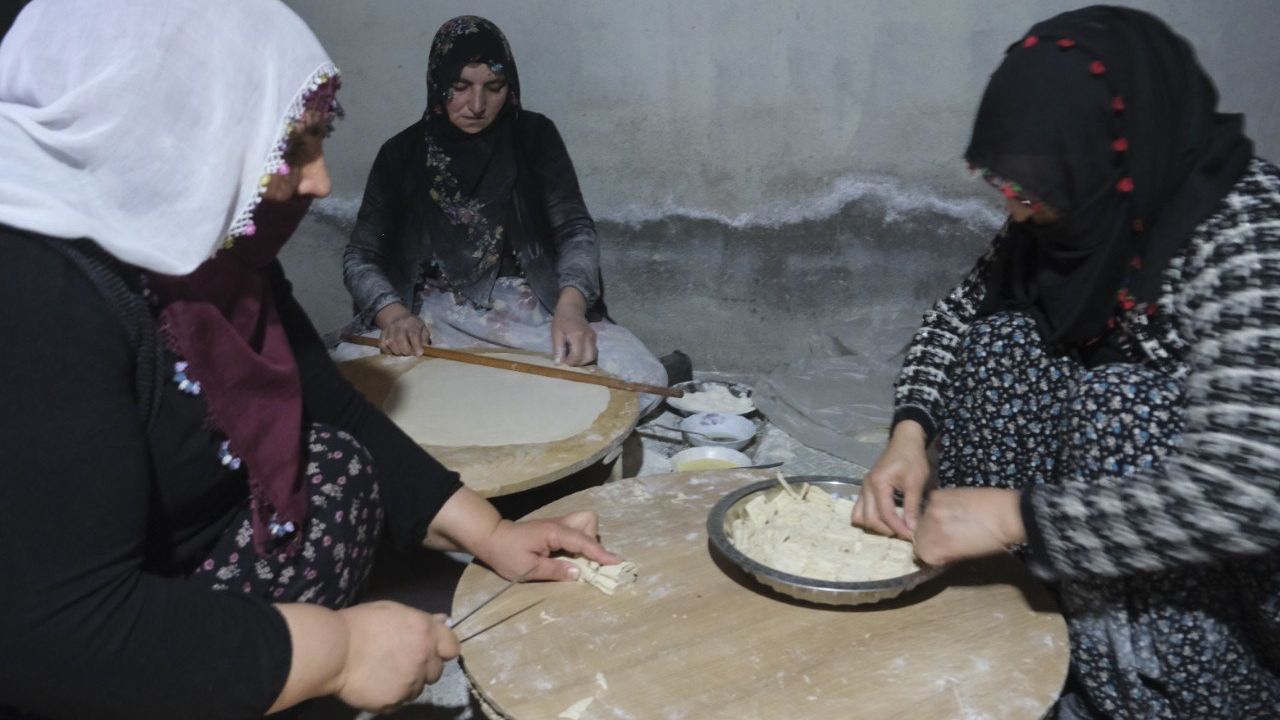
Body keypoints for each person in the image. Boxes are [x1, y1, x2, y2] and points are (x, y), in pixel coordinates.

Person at [0, 2, 619, 717]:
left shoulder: (211, 247)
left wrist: (495, 534)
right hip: (71, 646)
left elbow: (330, 404)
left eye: (318, 138)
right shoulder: (35, 293)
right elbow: (52, 631)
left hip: (164, 568)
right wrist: (338, 651)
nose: (320, 181)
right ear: (181, 127)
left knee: (335, 464)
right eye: (290, 146)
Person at [852, 7, 1280, 719]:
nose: (1018, 215)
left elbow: (1251, 489)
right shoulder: (1086, 197)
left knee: (1120, 404)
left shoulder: (1248, 234)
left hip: (1224, 589)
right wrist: (909, 433)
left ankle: (1141, 696)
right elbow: (956, 317)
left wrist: (1019, 516)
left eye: (1030, 197)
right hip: (1087, 539)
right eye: (1008, 192)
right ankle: (1024, 632)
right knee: (1004, 343)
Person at [339, 16, 666, 408]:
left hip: (529, 316)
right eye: (460, 87)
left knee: (642, 378)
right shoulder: (401, 154)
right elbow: (360, 257)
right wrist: (393, 317)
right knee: (345, 377)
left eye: (494, 88)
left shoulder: (535, 137)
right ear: (437, 83)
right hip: (432, 318)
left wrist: (571, 310)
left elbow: (575, 231)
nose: (477, 105)